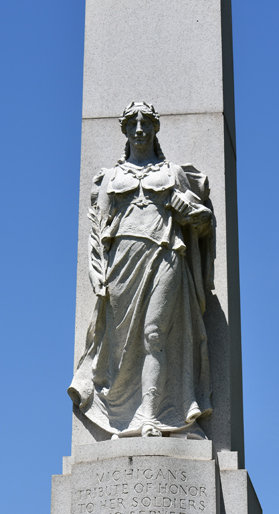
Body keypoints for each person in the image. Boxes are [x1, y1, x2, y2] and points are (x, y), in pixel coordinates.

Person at [68, 101, 214, 438]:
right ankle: (124, 414)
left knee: (154, 335)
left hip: (165, 254)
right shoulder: (112, 177)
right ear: (124, 130)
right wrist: (96, 272)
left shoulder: (172, 173)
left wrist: (188, 212)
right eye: (132, 123)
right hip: (123, 264)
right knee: (121, 347)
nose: (139, 129)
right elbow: (97, 230)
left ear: (154, 128)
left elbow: (204, 224)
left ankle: (151, 416)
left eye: (145, 122)